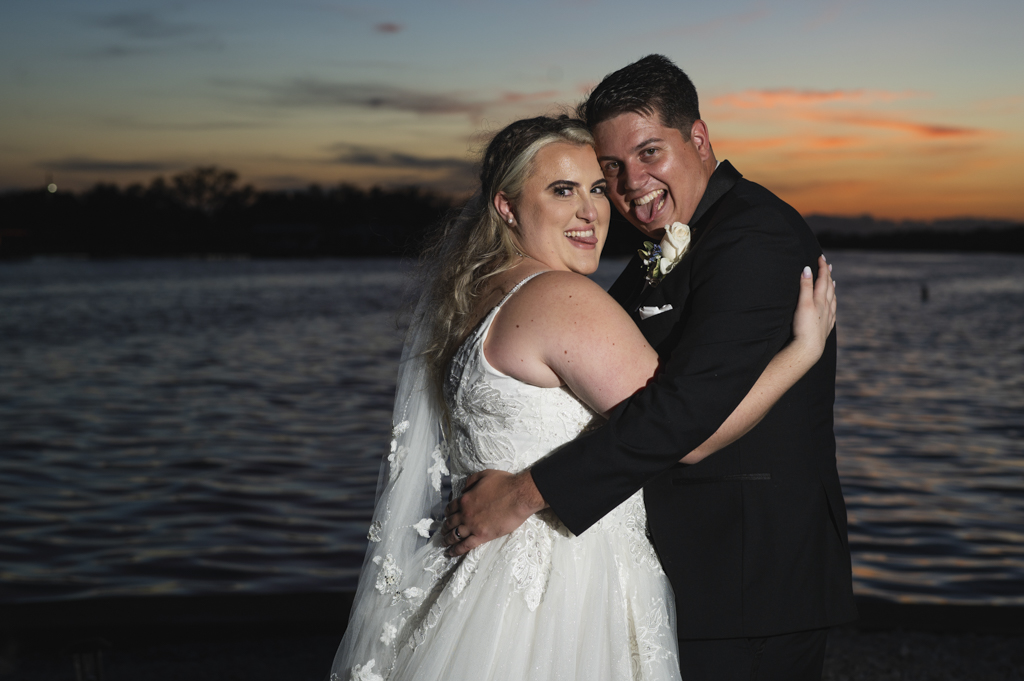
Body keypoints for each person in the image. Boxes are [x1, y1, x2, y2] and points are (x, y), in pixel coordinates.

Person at [331, 114, 836, 681]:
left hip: (485, 577)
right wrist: (802, 353)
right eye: (562, 190)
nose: (591, 211)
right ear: (506, 207)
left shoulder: (478, 293)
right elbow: (688, 430)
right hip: (568, 581)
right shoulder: (562, 297)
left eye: (596, 188)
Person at [443, 55, 858, 681]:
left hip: (748, 575)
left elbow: (685, 415)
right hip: (689, 568)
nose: (630, 182)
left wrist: (524, 495)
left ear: (699, 138)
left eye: (649, 152)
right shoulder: (660, 242)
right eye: (610, 166)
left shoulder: (752, 236)